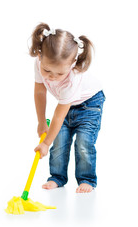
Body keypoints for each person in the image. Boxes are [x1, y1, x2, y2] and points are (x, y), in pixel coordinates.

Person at [29, 22, 106, 193]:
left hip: (89, 105)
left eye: (59, 73)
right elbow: (40, 92)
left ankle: (86, 179)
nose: (53, 77)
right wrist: (41, 122)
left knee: (83, 143)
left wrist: (45, 143)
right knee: (60, 141)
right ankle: (57, 177)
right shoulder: (38, 64)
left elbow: (58, 115)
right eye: (47, 70)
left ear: (72, 64)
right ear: (40, 57)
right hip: (66, 105)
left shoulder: (73, 77)